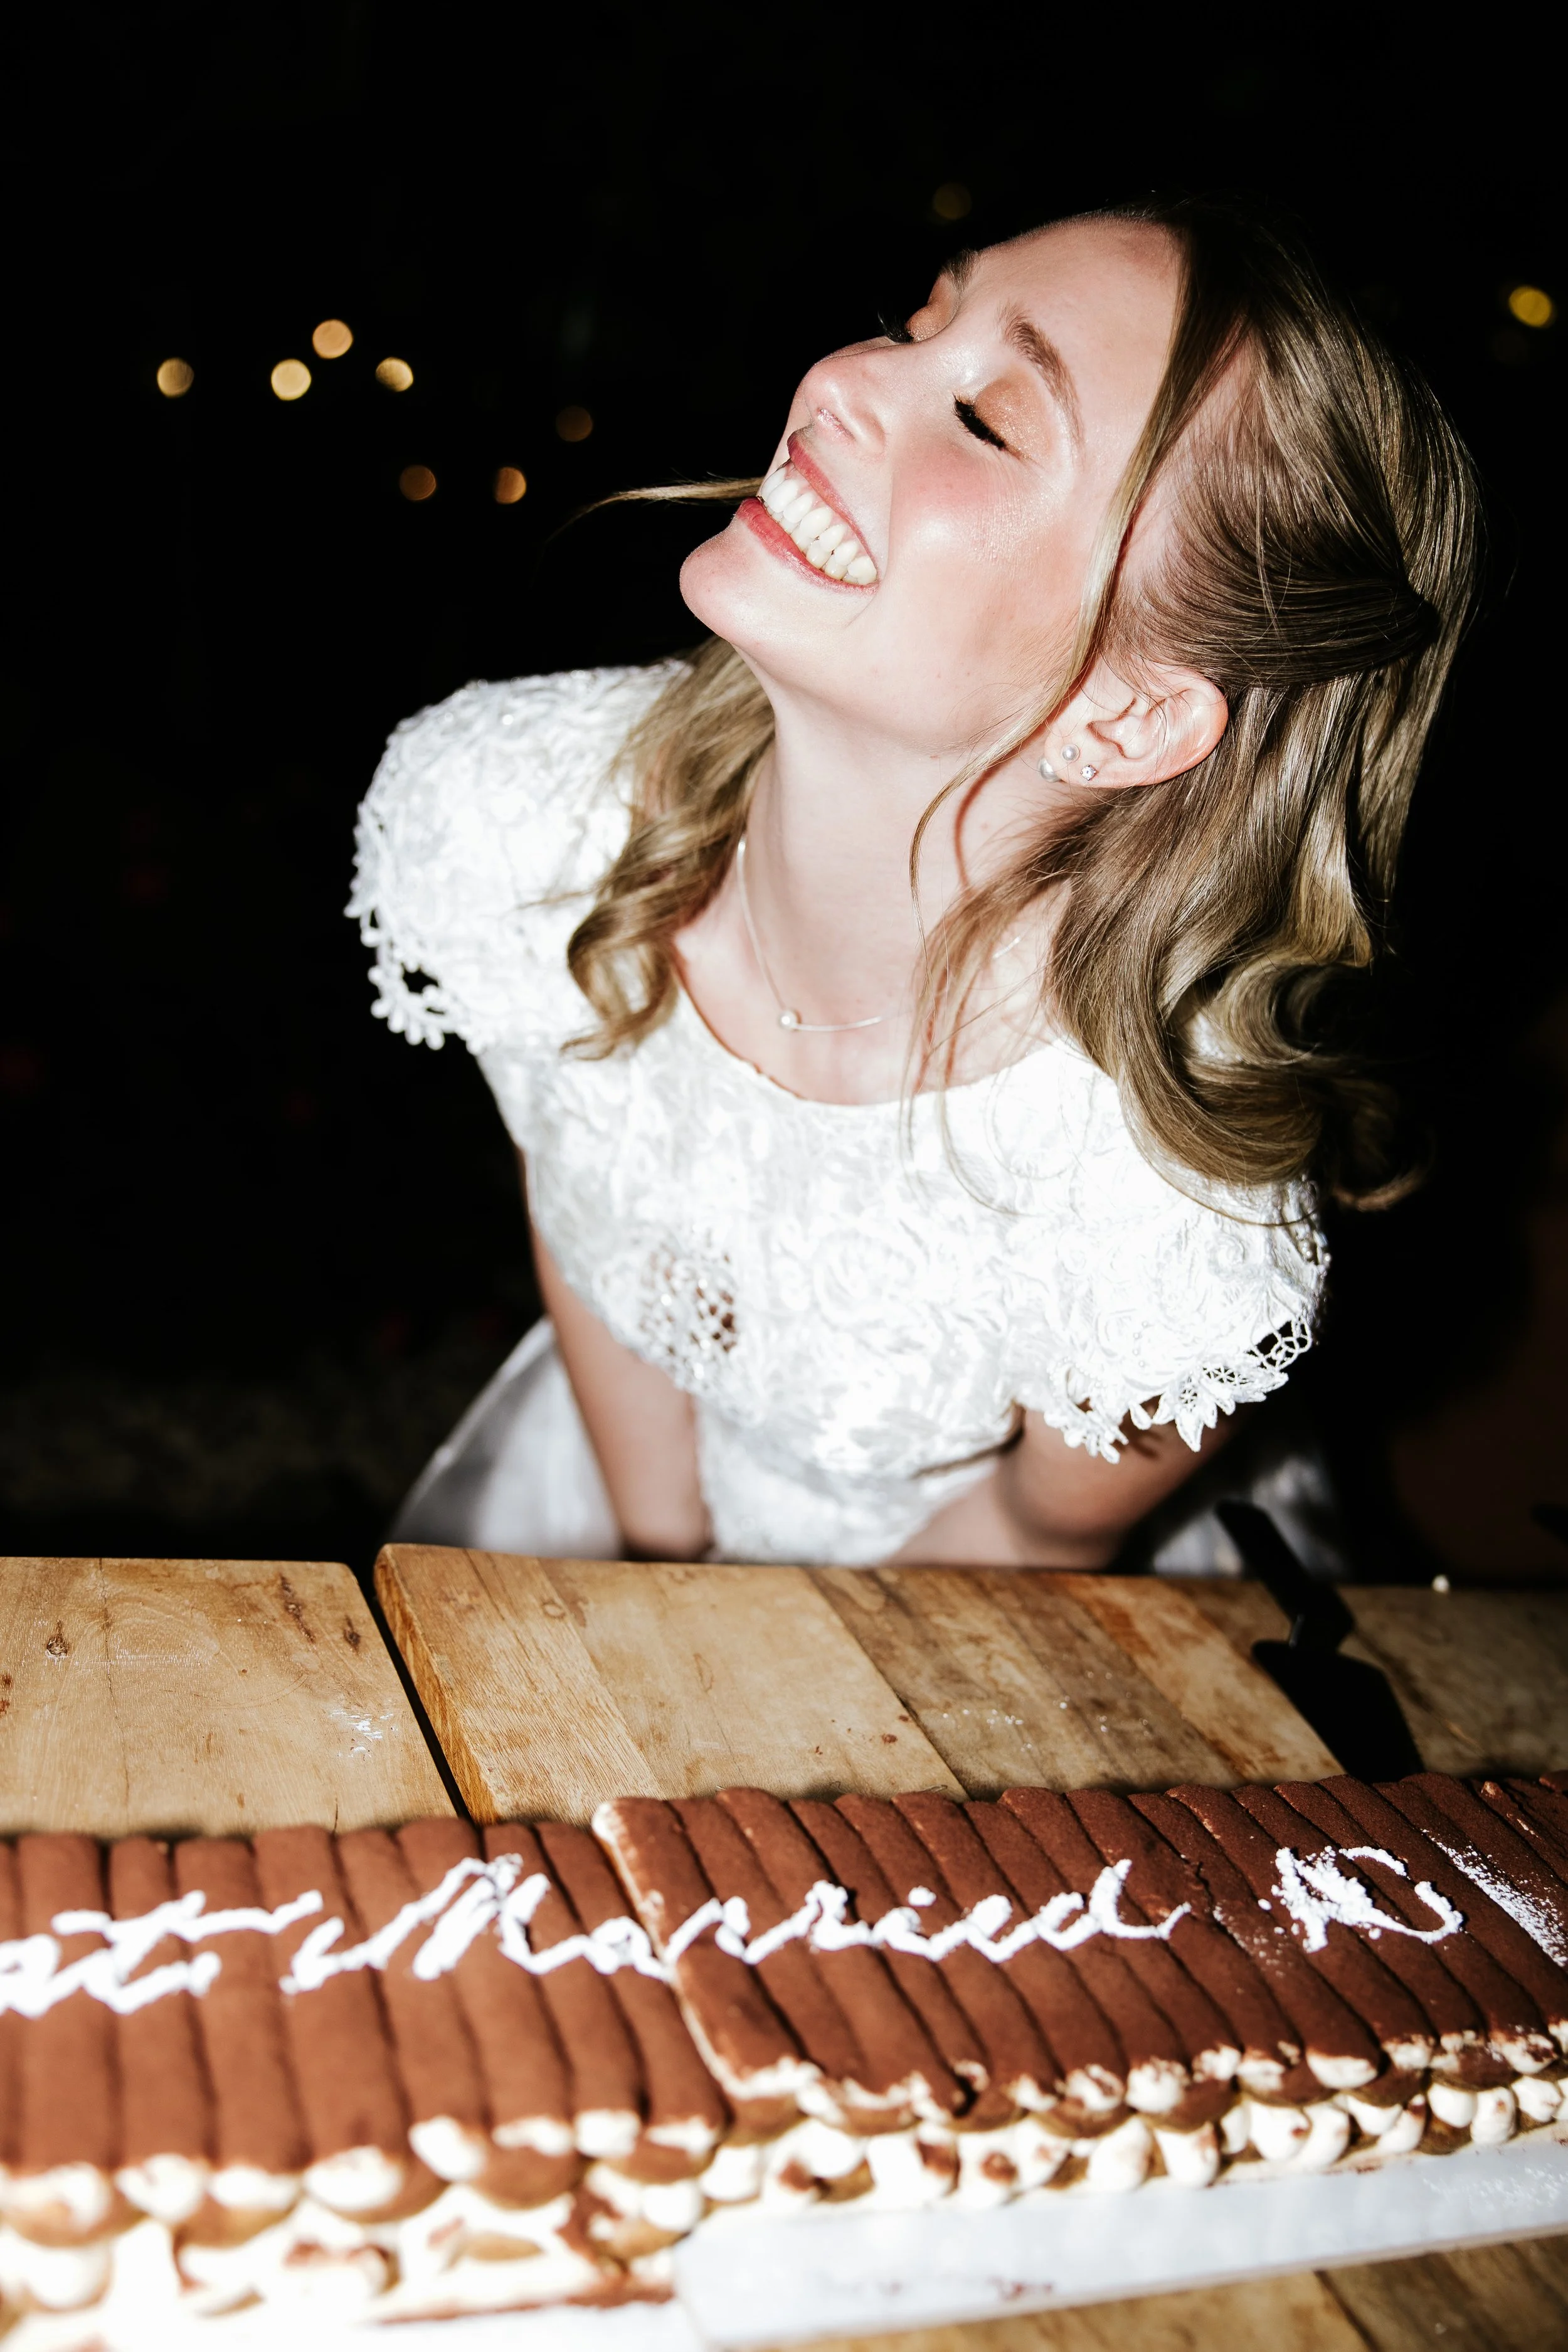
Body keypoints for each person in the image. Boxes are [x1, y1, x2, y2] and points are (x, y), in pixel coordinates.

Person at [350, 197, 1476, 1572]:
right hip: (619, 1461)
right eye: (909, 323)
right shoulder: (519, 821)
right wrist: (652, 1566)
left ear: (1123, 717)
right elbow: (589, 1219)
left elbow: (1022, 1534)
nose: (839, 375)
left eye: (988, 419)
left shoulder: (1164, 1207)